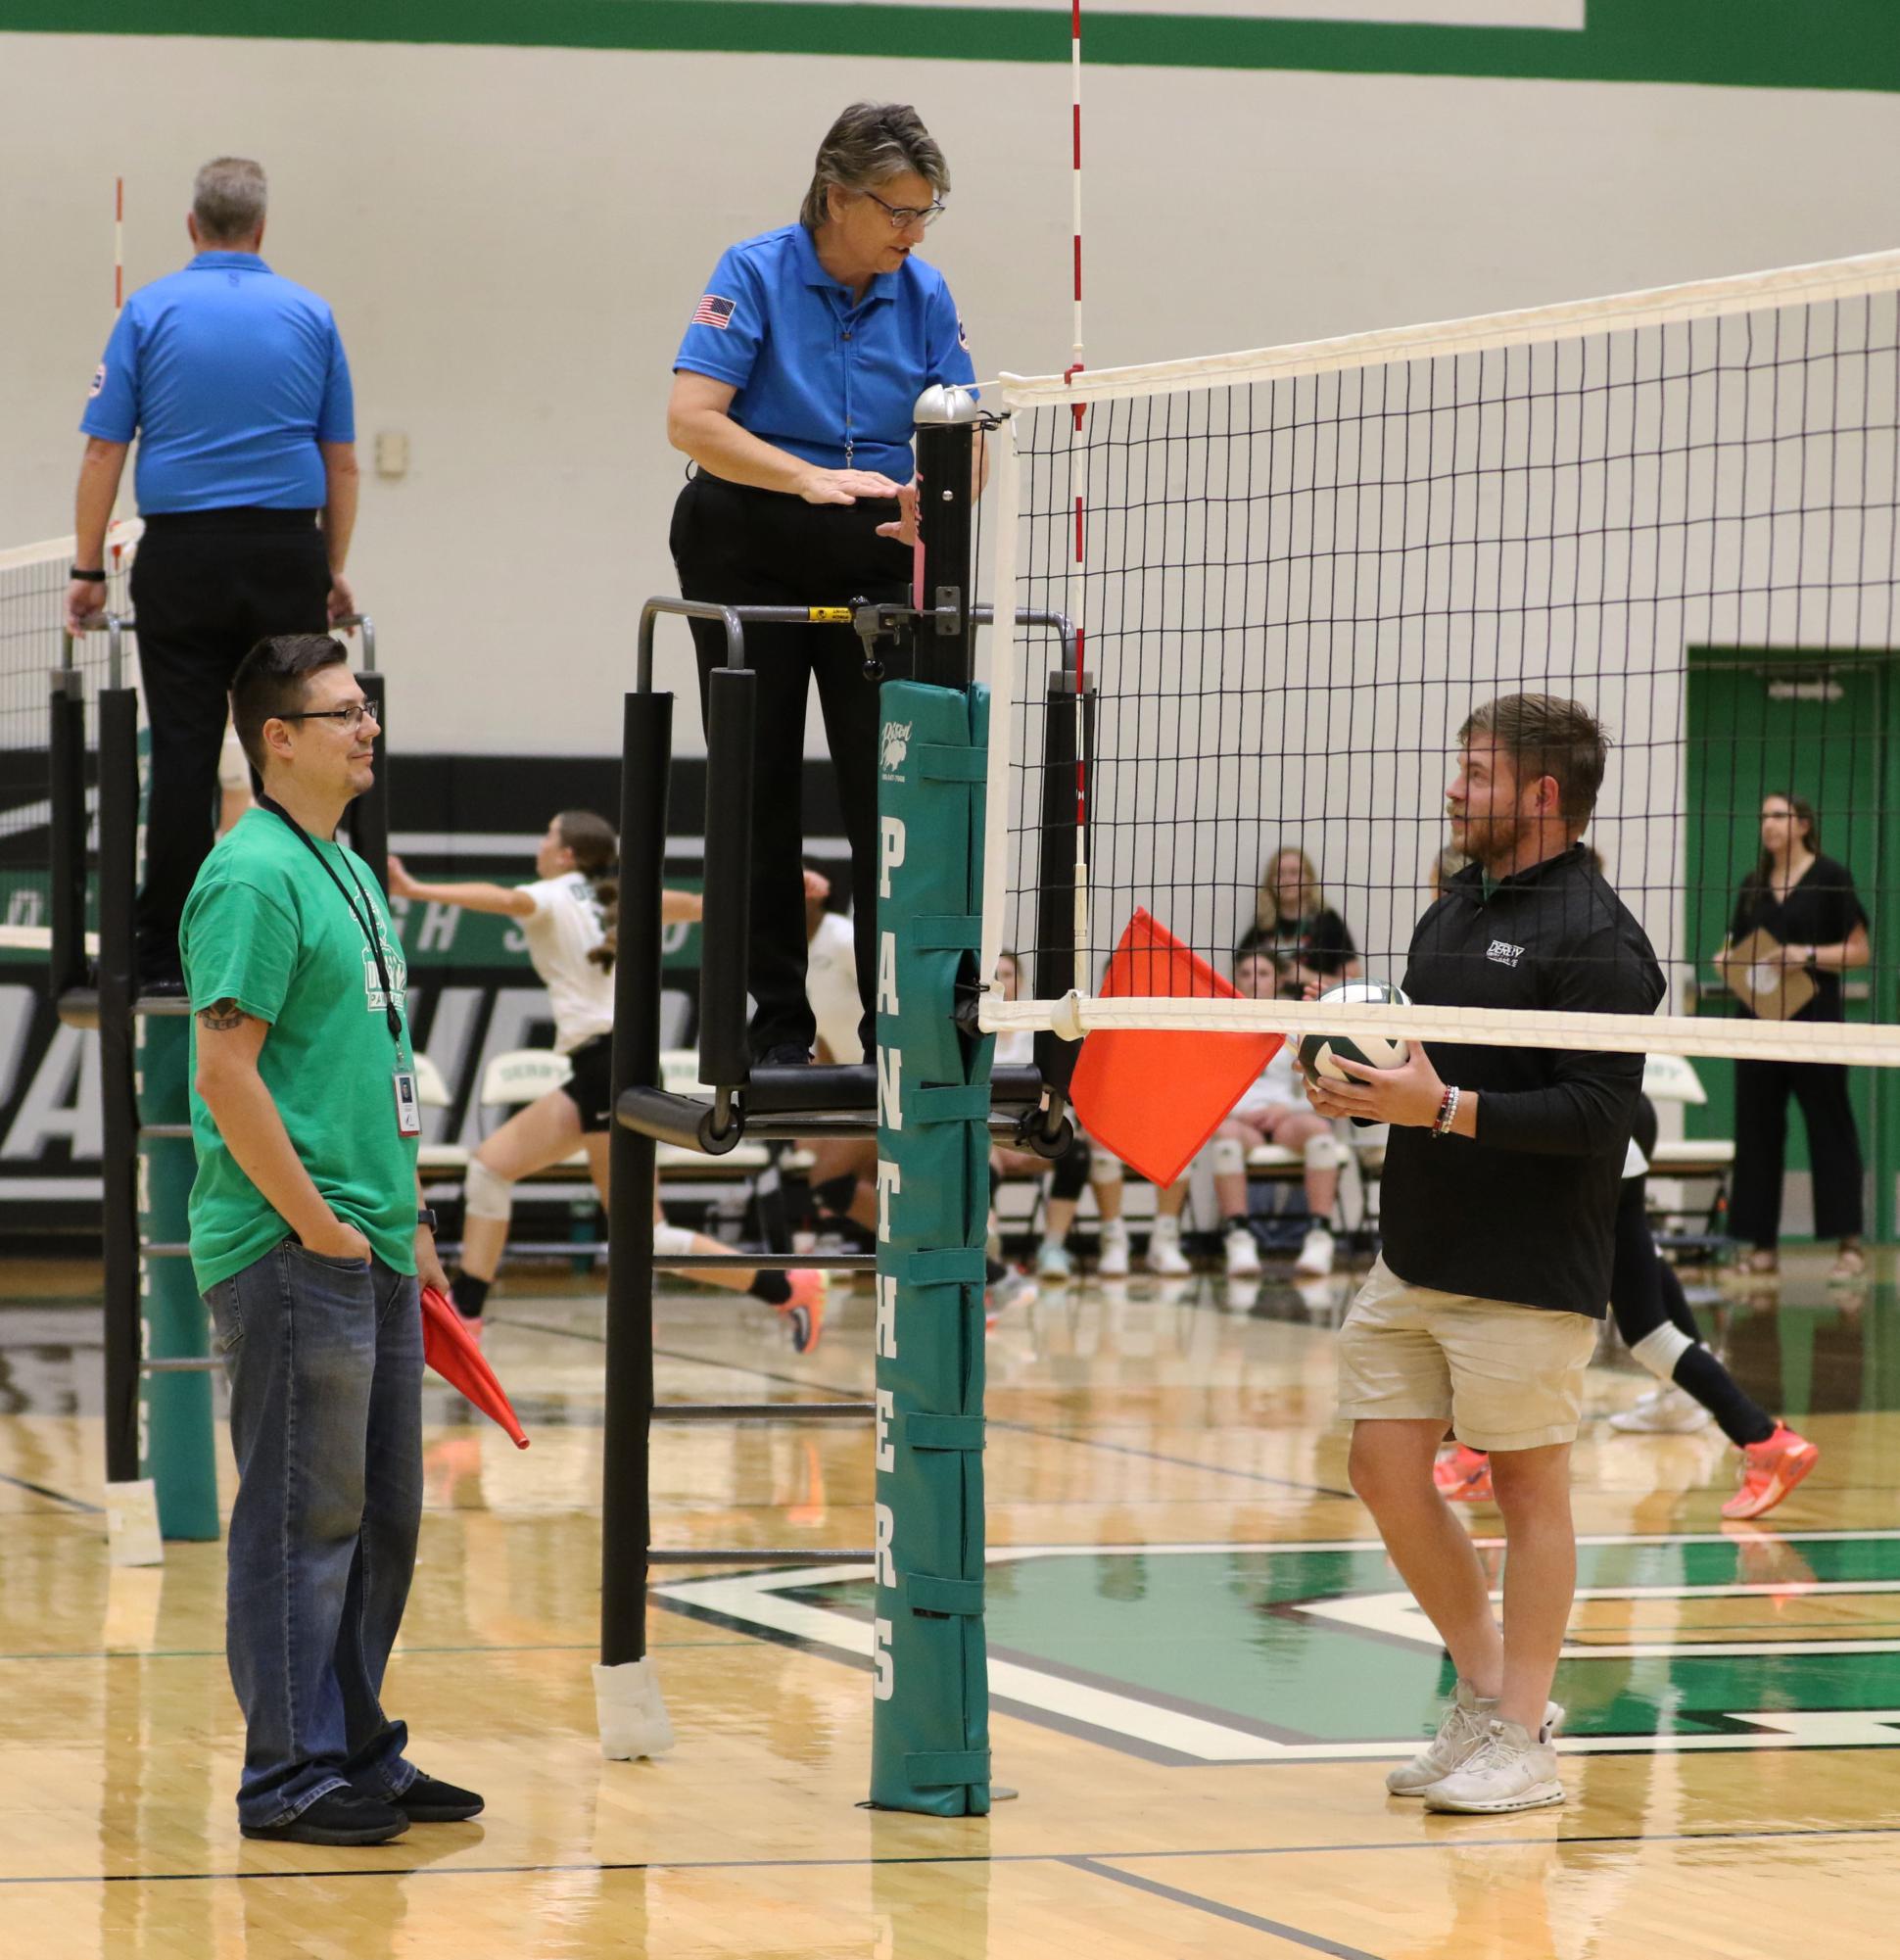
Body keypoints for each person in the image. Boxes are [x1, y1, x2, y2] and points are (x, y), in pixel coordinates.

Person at [1302, 693, 1664, 1815]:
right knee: (1377, 1468)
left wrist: (1442, 1103)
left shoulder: (1599, 939)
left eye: (1474, 770)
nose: (1452, 789)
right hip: (1416, 1250)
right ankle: (1485, 1691)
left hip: (1527, 1263)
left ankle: (1521, 1738)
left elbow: (1599, 1118)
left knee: (1525, 1485)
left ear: (1540, 794)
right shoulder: (1451, 907)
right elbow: (1421, 1065)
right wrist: (1356, 1090)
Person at [183, 634, 477, 1847]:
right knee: (303, 1516)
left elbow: (377, 1071)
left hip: (374, 1245)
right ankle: (287, 1775)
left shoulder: (345, 867)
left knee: (383, 1516)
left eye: (369, 707)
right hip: (296, 1249)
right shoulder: (251, 875)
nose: (367, 728)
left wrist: (409, 1234)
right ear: (278, 739)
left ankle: (353, 1744)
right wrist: (323, 1231)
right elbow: (223, 1072)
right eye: (341, 712)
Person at [667, 101, 976, 1068]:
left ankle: (899, 1019)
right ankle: (773, 1025)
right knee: (752, 787)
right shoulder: (751, 270)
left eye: (926, 212)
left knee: (881, 790)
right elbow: (690, 418)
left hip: (874, 546)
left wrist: (941, 493)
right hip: (746, 537)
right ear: (836, 196)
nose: (912, 232)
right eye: (896, 211)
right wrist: (806, 479)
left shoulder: (923, 293)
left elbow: (959, 427)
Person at [68, 158, 359, 990]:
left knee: (187, 757)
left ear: (193, 227)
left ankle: (165, 955)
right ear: (260, 230)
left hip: (182, 557)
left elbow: (101, 449)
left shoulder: (148, 309)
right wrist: (330, 569)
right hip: (284, 556)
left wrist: (89, 567)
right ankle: (310, 945)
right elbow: (340, 463)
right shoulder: (312, 313)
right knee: (299, 754)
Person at [387, 820, 827, 1353]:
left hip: (608, 1069)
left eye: (547, 836)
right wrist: (782, 886)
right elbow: (704, 904)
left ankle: (789, 1286)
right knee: (490, 1166)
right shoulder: (624, 895)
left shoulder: (549, 895)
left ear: (567, 854)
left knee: (644, 1231)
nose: (540, 845)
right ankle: (470, 1312)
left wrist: (413, 889)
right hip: (608, 1065)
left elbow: (502, 899)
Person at [1435, 1090, 1820, 1520]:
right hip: (1612, 1141)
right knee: (1648, 1327)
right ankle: (1754, 1434)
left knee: (1514, 1303)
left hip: (1566, 1150)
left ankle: (1476, 1458)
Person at [1723, 793, 1871, 1282]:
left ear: (1803, 824)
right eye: (1763, 815)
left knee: (1830, 1126)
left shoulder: (1831, 877)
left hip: (1816, 1023)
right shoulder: (1752, 884)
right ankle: (1762, 1247)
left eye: (1778, 815)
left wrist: (1803, 953)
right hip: (1760, 1024)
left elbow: (1858, 951)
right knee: (1758, 1129)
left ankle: (1849, 1245)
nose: (1768, 824)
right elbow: (1732, 948)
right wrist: (1726, 962)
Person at [987, 951, 1129, 1283]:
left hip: (1034, 1133)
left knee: (1076, 1151)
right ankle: (986, 1243)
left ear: (1019, 982)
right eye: (995, 975)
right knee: (977, 1153)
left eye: (1008, 974)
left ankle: (1052, 1248)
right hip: (992, 1134)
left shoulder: (1038, 1031)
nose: (1002, 982)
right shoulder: (979, 1033)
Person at [1203, 950, 1343, 1280]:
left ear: (1278, 979)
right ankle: (1239, 1238)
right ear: (1236, 978)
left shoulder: (1292, 1022)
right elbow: (1210, 1087)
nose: (1254, 980)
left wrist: (1283, 1109)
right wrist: (1238, 1114)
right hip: (1239, 1121)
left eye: (1263, 973)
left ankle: (1320, 1237)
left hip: (1285, 1117)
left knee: (1319, 1133)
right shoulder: (1221, 1023)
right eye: (1247, 973)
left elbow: (1315, 1083)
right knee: (1225, 1139)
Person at [1237, 846, 1360, 980]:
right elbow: (1239, 973)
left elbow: (1351, 983)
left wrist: (1308, 977)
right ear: (1270, 882)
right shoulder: (1263, 924)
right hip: (1273, 1000)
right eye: (1279, 874)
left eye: (1294, 873)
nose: (1286, 880)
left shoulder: (1329, 922)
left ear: (1310, 878)